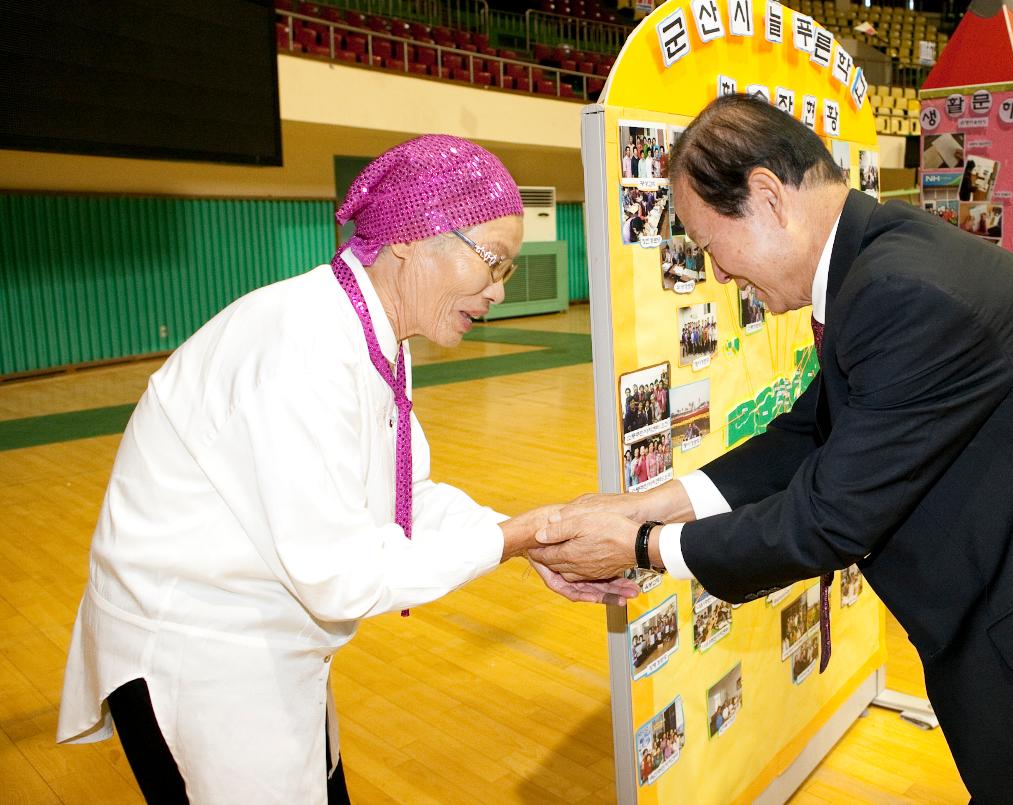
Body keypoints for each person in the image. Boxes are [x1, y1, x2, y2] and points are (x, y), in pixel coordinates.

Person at [531, 94, 1013, 804]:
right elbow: (808, 433)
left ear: (768, 197)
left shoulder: (900, 287)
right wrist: (641, 504)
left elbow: (829, 518)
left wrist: (643, 545)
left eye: (711, 245)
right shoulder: (879, 259)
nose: (716, 274)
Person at [56, 135, 635, 803]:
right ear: (414, 237)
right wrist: (516, 537)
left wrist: (527, 533)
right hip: (198, 655)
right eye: (495, 263)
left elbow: (403, 494)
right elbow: (341, 575)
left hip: (264, 642)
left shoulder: (369, 329)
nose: (499, 291)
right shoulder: (301, 348)